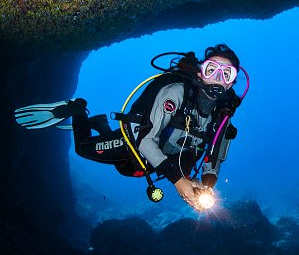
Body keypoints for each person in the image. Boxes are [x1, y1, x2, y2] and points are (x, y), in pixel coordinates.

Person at [15, 44, 244, 211]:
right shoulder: (175, 93)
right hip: (136, 141)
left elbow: (214, 159)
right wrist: (178, 180)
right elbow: (145, 141)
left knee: (127, 170)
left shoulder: (224, 118)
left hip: (160, 158)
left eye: (226, 74)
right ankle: (77, 109)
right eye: (211, 69)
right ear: (199, 73)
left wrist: (207, 186)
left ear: (233, 82)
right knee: (83, 149)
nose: (217, 78)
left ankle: (101, 124)